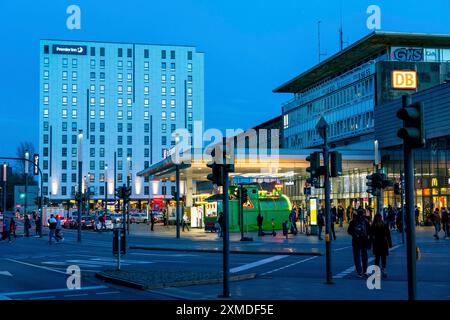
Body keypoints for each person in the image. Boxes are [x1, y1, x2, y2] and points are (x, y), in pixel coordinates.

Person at [348, 208, 370, 278]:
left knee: (357, 257)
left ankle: (359, 272)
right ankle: (365, 271)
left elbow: (349, 231)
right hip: (364, 241)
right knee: (364, 256)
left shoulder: (353, 221)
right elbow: (369, 231)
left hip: (356, 241)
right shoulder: (366, 221)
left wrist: (355, 235)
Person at [370, 213, 392, 278]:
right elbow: (388, 235)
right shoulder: (384, 225)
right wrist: (390, 243)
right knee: (383, 257)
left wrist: (369, 244)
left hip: (376, 244)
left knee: (377, 258)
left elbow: (371, 236)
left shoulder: (373, 226)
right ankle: (384, 270)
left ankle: (377, 271)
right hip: (383, 243)